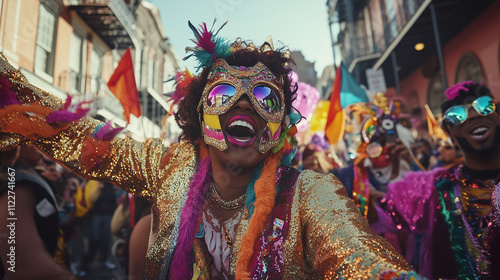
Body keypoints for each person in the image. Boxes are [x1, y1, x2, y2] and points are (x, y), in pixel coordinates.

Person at [0, 23, 418, 279]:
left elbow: (360, 257)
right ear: (200, 115)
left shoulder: (311, 196)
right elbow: (78, 137)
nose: (243, 103)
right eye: (223, 92)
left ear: (278, 128)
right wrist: (7, 88)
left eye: (264, 97)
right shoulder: (169, 169)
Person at [379, 81, 500, 279]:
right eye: (457, 115)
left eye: (485, 105)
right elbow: (388, 217)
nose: (473, 115)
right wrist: (390, 167)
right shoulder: (436, 187)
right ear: (449, 133)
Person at [0, 145, 77, 279]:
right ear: (13, 141)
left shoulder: (18, 177)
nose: (40, 149)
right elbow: (27, 268)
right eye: (31, 140)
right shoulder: (17, 182)